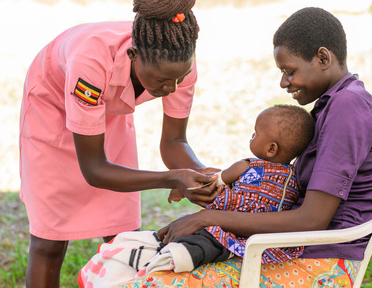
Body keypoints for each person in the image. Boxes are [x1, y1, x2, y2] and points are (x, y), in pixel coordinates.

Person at [112, 6, 372, 287]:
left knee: (147, 283)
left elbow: (312, 219)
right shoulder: (334, 104)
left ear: (322, 57)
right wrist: (220, 187)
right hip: (290, 249)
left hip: (321, 262)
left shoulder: (347, 106)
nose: (284, 82)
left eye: (289, 71)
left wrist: (208, 218)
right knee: (146, 267)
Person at [19, 0, 219, 288]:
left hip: (110, 111)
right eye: (161, 81)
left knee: (123, 235)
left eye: (178, 79)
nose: (171, 88)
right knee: (50, 240)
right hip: (52, 110)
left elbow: (174, 142)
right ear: (132, 55)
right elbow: (95, 170)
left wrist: (203, 175)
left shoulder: (177, 65)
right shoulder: (90, 62)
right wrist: (172, 177)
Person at [78, 104, 315, 287]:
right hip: (258, 241)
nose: (251, 137)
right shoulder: (294, 179)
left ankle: (167, 257)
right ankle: (175, 255)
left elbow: (212, 184)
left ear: (271, 149)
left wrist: (184, 188)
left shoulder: (246, 166)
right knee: (211, 245)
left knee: (204, 236)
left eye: (255, 134)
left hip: (227, 226)